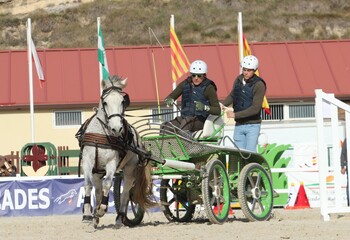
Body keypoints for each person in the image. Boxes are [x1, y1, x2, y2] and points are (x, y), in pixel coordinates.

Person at [161, 60, 221, 134]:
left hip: (200, 121)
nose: (196, 78)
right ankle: (165, 145)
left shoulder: (209, 88)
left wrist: (205, 107)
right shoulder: (185, 83)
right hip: (184, 118)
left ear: (204, 75)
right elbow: (172, 95)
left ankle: (188, 145)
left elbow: (218, 110)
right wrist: (169, 99)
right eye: (193, 75)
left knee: (186, 123)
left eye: (199, 76)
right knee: (166, 126)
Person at [221, 55, 266, 152]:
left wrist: (235, 114)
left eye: (249, 70)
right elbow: (233, 95)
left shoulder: (259, 85)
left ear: (254, 70)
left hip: (252, 126)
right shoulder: (238, 80)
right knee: (239, 154)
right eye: (244, 69)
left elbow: (255, 108)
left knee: (250, 153)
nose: (245, 72)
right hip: (239, 124)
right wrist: (223, 104)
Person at [340, 138, 349, 206]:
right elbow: (343, 153)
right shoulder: (348, 138)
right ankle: (349, 204)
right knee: (349, 185)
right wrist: (342, 166)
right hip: (349, 166)